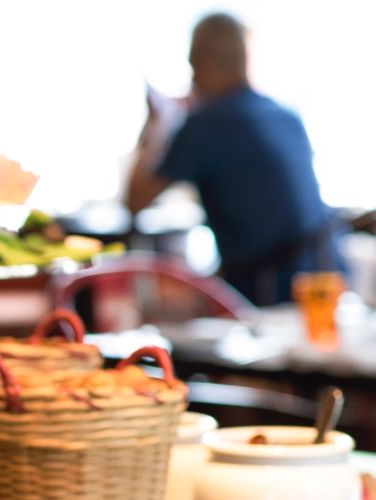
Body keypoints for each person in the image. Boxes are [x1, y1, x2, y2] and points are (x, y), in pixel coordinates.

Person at [125, 12, 348, 306]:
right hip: (330, 274)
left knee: (166, 309)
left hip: (273, 290)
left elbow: (134, 201)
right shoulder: (284, 115)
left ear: (203, 62)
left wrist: (155, 124)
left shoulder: (204, 124)